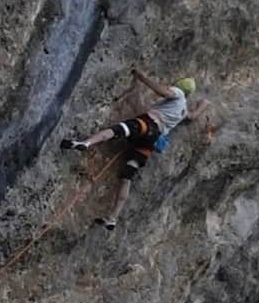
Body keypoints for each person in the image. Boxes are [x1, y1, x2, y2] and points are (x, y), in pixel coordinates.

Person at [61, 67, 209, 229]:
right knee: (128, 175)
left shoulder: (178, 93)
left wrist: (141, 76)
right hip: (151, 140)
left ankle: (86, 143)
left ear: (179, 86)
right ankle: (113, 217)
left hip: (146, 124)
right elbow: (192, 116)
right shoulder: (183, 110)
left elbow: (163, 91)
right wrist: (203, 105)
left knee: (116, 130)